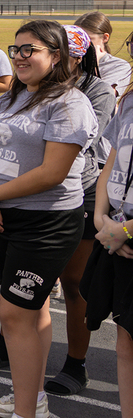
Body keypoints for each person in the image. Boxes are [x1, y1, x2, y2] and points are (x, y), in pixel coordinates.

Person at [0, 20, 97, 418]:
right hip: (4, 216)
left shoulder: (69, 102)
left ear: (56, 56)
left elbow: (52, 172)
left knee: (13, 314)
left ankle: (26, 411)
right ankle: (33, 399)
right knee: (32, 311)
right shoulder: (10, 96)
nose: (20, 57)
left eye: (31, 50)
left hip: (47, 222)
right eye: (17, 49)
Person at [44, 25, 115, 395]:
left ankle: (77, 363)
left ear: (78, 56)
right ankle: (11, 344)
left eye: (64, 55)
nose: (57, 61)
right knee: (24, 281)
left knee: (73, 283)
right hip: (29, 194)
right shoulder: (30, 83)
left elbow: (82, 140)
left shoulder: (97, 90)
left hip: (79, 190)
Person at [82, 77, 133, 418]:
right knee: (125, 340)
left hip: (123, 234)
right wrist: (102, 220)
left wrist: (123, 230)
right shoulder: (129, 101)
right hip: (116, 234)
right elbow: (110, 165)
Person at [75, 10, 133, 98]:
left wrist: (93, 65)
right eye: (78, 40)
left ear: (105, 38)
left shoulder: (118, 66)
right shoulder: (71, 61)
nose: (82, 44)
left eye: (88, 39)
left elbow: (102, 97)